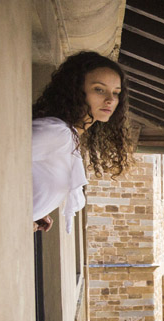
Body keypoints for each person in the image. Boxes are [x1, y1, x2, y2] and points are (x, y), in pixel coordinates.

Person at [31, 51, 133, 232]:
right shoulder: (57, 133)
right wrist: (21, 216)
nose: (110, 100)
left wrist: (37, 211)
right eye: (99, 89)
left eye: (116, 93)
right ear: (75, 90)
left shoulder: (70, 137)